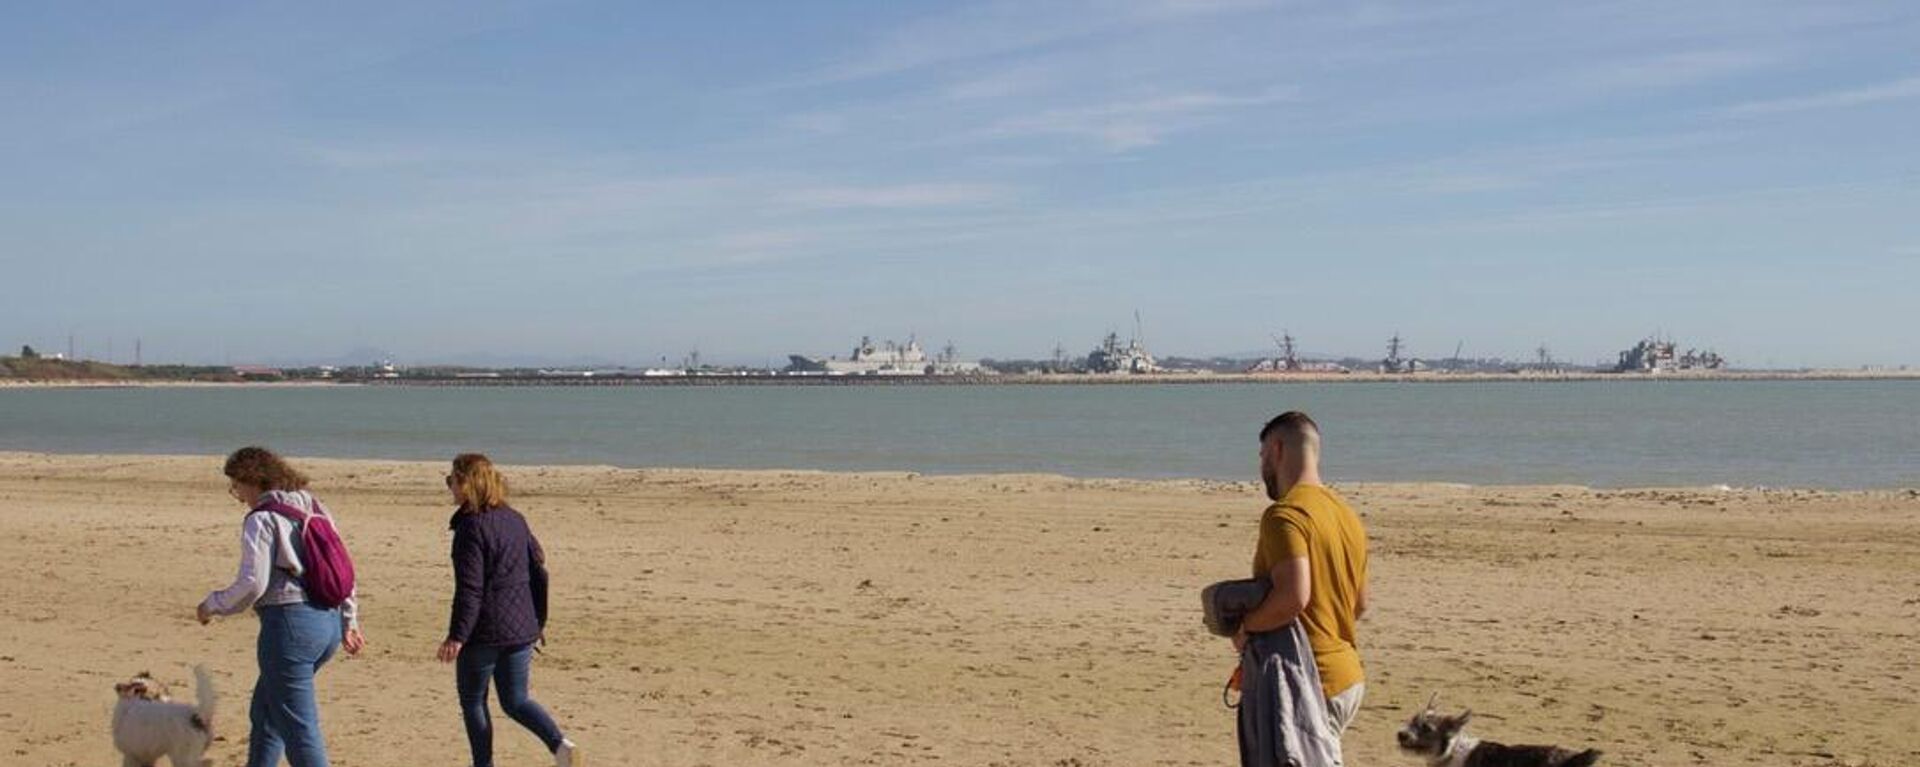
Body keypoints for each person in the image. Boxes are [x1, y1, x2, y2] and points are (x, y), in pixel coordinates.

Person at [198, 446, 365, 767]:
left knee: (299, 728)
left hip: (290, 628)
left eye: (236, 485)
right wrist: (349, 620)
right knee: (266, 712)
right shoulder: (314, 506)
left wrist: (212, 605)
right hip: (326, 624)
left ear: (253, 480)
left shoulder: (261, 519)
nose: (237, 494)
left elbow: (252, 584)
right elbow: (342, 567)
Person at [437, 453, 581, 767]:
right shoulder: (515, 518)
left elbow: (470, 589)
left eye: (452, 480)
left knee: (474, 701)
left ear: (467, 483)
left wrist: (456, 636)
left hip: (485, 632)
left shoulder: (470, 528)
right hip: (521, 627)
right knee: (516, 700)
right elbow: (537, 568)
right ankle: (560, 745)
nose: (449, 487)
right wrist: (536, 622)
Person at [1234, 411, 1370, 737]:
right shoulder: (1346, 514)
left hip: (1310, 679)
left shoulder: (1285, 514)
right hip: (1347, 676)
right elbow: (1360, 604)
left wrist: (1244, 627)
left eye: (1263, 455)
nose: (1261, 467)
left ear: (1278, 450)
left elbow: (1293, 597)